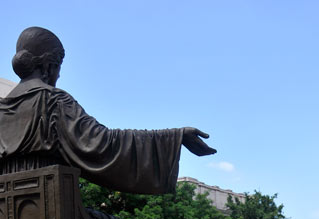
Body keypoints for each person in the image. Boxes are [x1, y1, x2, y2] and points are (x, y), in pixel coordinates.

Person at [0, 27, 215, 195]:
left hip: (7, 215)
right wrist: (174, 137)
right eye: (58, 67)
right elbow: (104, 143)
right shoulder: (52, 101)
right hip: (50, 206)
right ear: (49, 66)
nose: (58, 76)